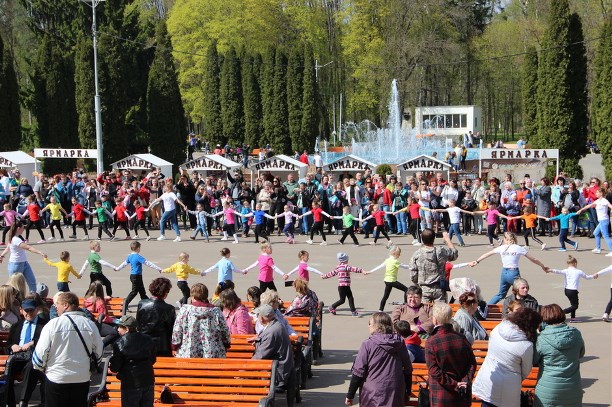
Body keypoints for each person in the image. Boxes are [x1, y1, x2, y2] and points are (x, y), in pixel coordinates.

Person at [33, 292, 103, 407]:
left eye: (58, 304)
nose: (56, 307)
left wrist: (44, 369)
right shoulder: (89, 324)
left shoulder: (53, 324)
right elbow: (99, 352)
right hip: (81, 377)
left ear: (66, 305)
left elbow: (40, 354)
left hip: (56, 377)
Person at [472, 307, 542, 407]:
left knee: (487, 402)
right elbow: (526, 370)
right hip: (509, 387)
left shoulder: (497, 329)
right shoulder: (526, 345)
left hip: (489, 379)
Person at [345, 312, 412, 407]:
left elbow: (358, 372)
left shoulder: (368, 344)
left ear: (376, 326)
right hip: (396, 391)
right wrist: (408, 391)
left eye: (370, 323)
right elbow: (408, 369)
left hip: (373, 393)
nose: (368, 326)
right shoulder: (400, 342)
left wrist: (350, 395)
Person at [469, 232, 548, 304]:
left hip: (504, 273)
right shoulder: (518, 248)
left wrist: (477, 261)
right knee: (521, 293)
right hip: (513, 273)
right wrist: (542, 266)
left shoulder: (502, 248)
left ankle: (486, 308)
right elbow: (533, 259)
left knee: (501, 294)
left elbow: (487, 254)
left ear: (506, 239)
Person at [425, 303, 477, 407]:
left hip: (442, 393)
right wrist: (464, 381)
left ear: (435, 320)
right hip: (461, 393)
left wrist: (454, 384)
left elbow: (434, 371)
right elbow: (472, 364)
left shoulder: (431, 341)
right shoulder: (461, 338)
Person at [533, 304, 585, 407]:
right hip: (572, 386)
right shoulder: (576, 334)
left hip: (548, 387)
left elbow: (534, 360)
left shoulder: (541, 338)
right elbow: (581, 353)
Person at [5, 297, 49, 407]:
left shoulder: (44, 325)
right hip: (18, 356)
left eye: (31, 310)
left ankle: (23, 401)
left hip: (35, 357)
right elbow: (9, 344)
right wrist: (13, 346)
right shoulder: (16, 326)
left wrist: (32, 343)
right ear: (21, 310)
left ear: (37, 310)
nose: (28, 313)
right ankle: (8, 402)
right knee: (8, 368)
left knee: (31, 367)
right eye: (26, 311)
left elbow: (48, 342)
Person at [171, 283, 230, 358]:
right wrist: (226, 343)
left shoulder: (185, 310)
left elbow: (177, 330)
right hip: (212, 352)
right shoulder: (215, 311)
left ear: (192, 296)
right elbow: (224, 330)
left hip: (188, 352)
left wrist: (175, 346)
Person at [109, 315, 156, 407]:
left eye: (119, 327)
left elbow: (115, 368)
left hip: (130, 382)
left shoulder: (119, 343)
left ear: (127, 329)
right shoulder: (148, 339)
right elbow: (153, 359)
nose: (118, 329)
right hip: (147, 379)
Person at [251, 304, 295, 393]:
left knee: (244, 375)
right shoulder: (276, 324)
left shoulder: (272, 332)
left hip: (278, 372)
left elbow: (260, 356)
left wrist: (244, 368)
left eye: (258, 315)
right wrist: (259, 340)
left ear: (262, 318)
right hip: (281, 366)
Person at [409, 229, 458, 303]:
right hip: (439, 288)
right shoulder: (440, 251)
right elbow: (454, 254)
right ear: (434, 239)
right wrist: (447, 239)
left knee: (424, 313)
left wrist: (417, 284)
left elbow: (413, 274)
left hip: (424, 288)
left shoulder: (417, 254)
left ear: (422, 239)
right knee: (441, 313)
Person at [116, 241, 163, 314]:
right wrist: (158, 268)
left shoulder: (130, 256)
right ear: (138, 248)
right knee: (134, 292)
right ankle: (124, 305)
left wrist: (118, 268)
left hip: (133, 276)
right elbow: (148, 263)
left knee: (142, 292)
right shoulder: (138, 257)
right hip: (136, 277)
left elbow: (124, 264)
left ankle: (149, 305)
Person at [0, 221, 46, 293]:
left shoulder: (14, 238)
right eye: (23, 227)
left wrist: (2, 255)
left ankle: (33, 298)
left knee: (32, 281)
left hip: (24, 263)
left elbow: (8, 248)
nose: (23, 229)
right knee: (14, 286)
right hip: (16, 265)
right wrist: (40, 252)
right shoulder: (15, 239)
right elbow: (28, 247)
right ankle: (10, 300)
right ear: (18, 228)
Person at [545, 255, 594, 321]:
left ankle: (573, 318)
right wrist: (594, 276)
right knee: (575, 306)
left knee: (572, 304)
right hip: (573, 291)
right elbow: (587, 277)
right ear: (575, 263)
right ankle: (560, 312)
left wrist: (550, 270)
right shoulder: (579, 271)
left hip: (567, 290)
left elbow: (558, 271)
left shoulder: (566, 271)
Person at [135, 277, 175, 357]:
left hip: (143, 342)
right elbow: (171, 329)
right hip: (162, 345)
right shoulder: (169, 308)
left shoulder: (142, 303)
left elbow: (138, 323)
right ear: (165, 292)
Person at [366, 246, 410, 312]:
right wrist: (414, 266)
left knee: (385, 296)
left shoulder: (387, 260)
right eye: (398, 254)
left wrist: (370, 271)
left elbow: (379, 266)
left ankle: (380, 310)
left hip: (387, 281)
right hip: (392, 281)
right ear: (394, 253)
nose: (399, 255)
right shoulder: (395, 261)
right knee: (407, 290)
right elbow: (405, 267)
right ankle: (406, 305)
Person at [322, 252, 366, 317]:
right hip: (343, 287)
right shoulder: (346, 267)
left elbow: (331, 273)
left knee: (350, 298)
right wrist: (362, 271)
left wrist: (324, 276)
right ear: (345, 260)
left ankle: (353, 312)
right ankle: (332, 307)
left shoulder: (338, 267)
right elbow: (354, 269)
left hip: (344, 286)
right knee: (342, 300)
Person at [576, 187, 612, 255]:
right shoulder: (598, 201)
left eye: (597, 192)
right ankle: (598, 249)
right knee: (596, 233)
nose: (596, 193)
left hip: (604, 220)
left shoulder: (604, 200)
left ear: (601, 193)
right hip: (601, 221)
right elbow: (589, 205)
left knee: (606, 236)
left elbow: (610, 206)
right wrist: (581, 210)